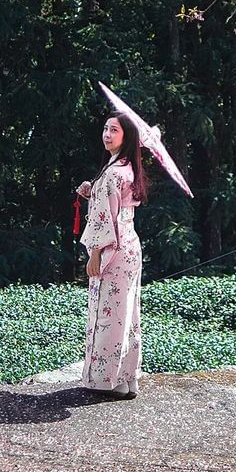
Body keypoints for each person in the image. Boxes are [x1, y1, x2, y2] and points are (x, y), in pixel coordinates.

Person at [75, 113, 148, 398]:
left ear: (126, 136)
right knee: (126, 315)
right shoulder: (128, 168)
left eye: (114, 130)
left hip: (112, 250)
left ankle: (110, 380)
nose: (107, 134)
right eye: (105, 128)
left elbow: (104, 221)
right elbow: (119, 204)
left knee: (108, 316)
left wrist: (94, 256)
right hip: (130, 246)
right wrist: (92, 192)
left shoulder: (113, 172)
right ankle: (128, 378)